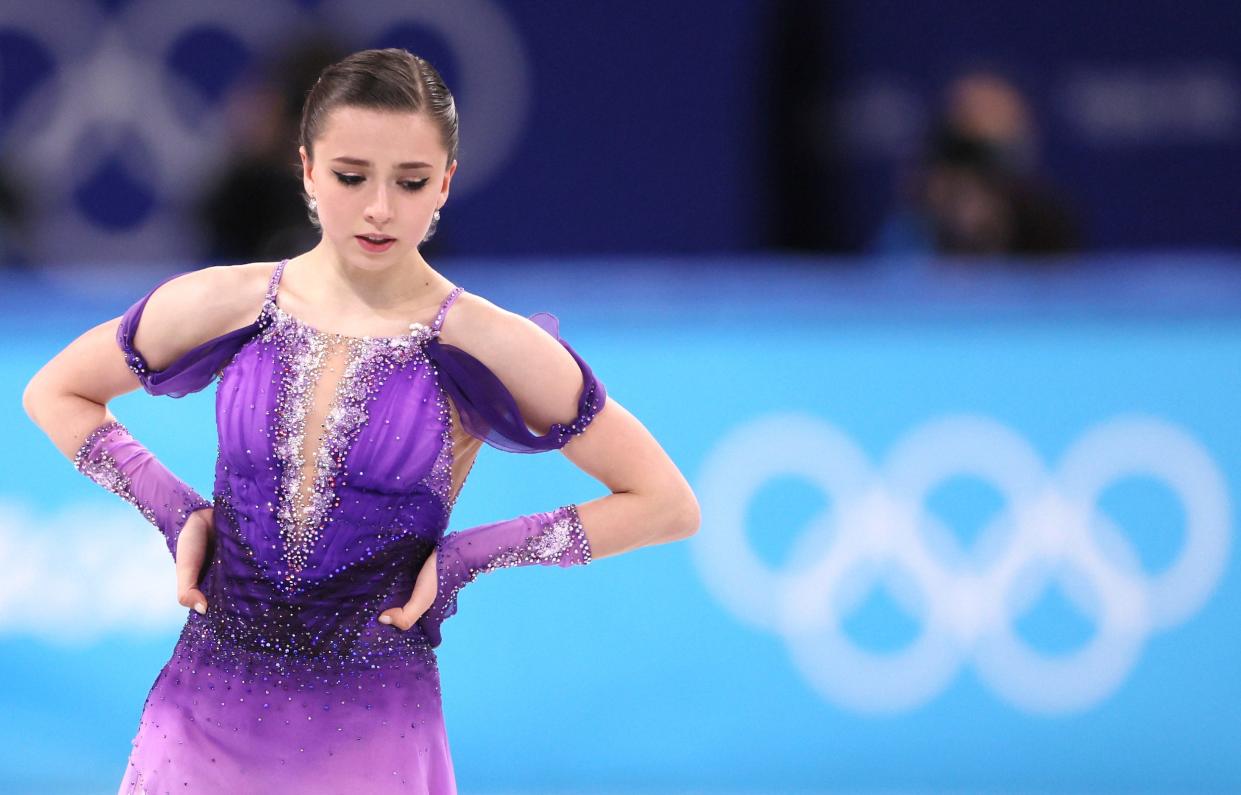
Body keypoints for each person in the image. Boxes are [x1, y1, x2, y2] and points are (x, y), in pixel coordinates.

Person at [21, 47, 700, 794]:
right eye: (351, 176)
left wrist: (473, 554)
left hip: (372, 727)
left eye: (409, 182)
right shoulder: (228, 301)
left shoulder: (488, 341)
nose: (379, 208)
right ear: (306, 169)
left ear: (444, 181)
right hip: (202, 719)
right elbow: (56, 392)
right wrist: (176, 510)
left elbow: (666, 502)